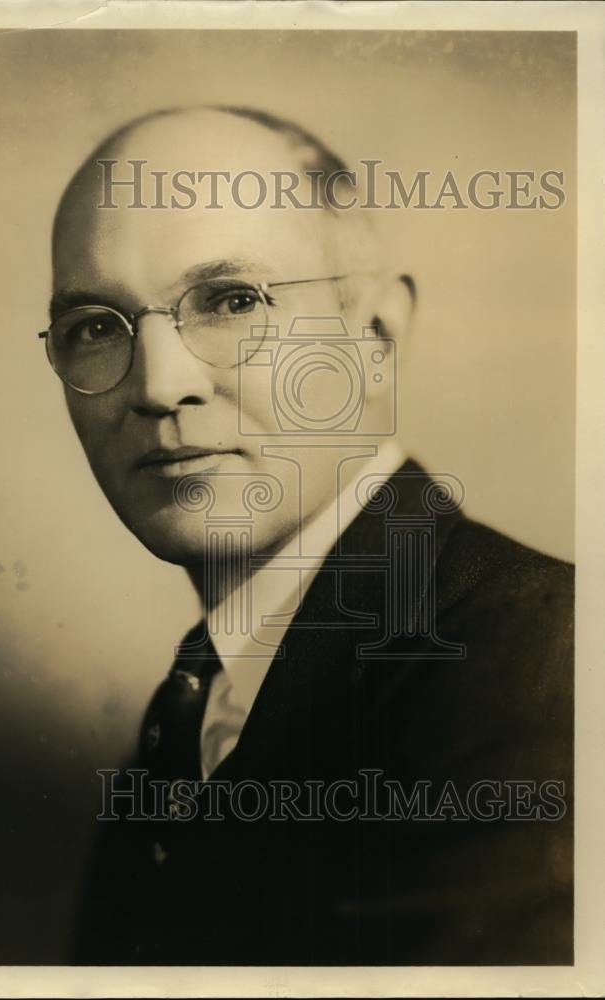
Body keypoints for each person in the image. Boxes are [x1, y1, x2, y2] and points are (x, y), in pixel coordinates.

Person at [41, 106, 573, 965]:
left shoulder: (540, 660)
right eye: (97, 327)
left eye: (232, 301)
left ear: (375, 336)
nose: (159, 385)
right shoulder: (182, 729)